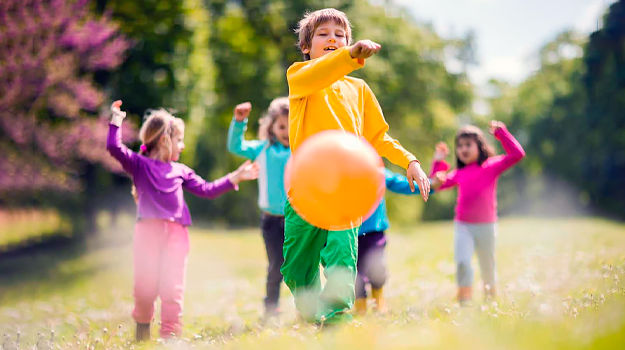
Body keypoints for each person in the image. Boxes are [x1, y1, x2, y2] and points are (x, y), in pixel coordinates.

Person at [281, 8, 430, 325]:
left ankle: (335, 320)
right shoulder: (299, 77)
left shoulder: (360, 90)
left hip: (345, 191)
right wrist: (349, 55)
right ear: (307, 46)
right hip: (305, 190)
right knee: (295, 267)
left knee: (342, 259)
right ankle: (310, 310)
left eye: (340, 34)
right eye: (323, 34)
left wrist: (410, 160)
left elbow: (378, 136)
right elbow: (322, 72)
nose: (332, 38)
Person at [106, 100, 259, 340]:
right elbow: (114, 148)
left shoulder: (181, 171)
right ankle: (142, 334)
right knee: (145, 288)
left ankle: (170, 338)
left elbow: (207, 189)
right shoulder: (139, 165)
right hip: (147, 233)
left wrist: (235, 177)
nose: (183, 145)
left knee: (172, 290)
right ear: (165, 140)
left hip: (177, 236)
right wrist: (116, 120)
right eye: (179, 140)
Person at [430, 121, 525, 304]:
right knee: (462, 262)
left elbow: (517, 155)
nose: (463, 149)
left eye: (468, 145)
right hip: (463, 226)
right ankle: (464, 301)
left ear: (479, 147)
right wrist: (438, 162)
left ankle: (491, 300)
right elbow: (435, 184)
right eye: (460, 146)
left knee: (487, 265)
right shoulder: (459, 173)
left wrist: (501, 133)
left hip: (487, 226)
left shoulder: (491, 166)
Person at [227, 98, 290, 319]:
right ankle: (271, 309)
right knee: (276, 267)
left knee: (302, 266)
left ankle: (308, 307)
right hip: (271, 221)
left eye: (292, 125)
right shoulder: (262, 149)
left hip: (298, 221)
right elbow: (236, 146)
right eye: (282, 126)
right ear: (271, 126)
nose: (287, 131)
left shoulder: (302, 150)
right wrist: (239, 122)